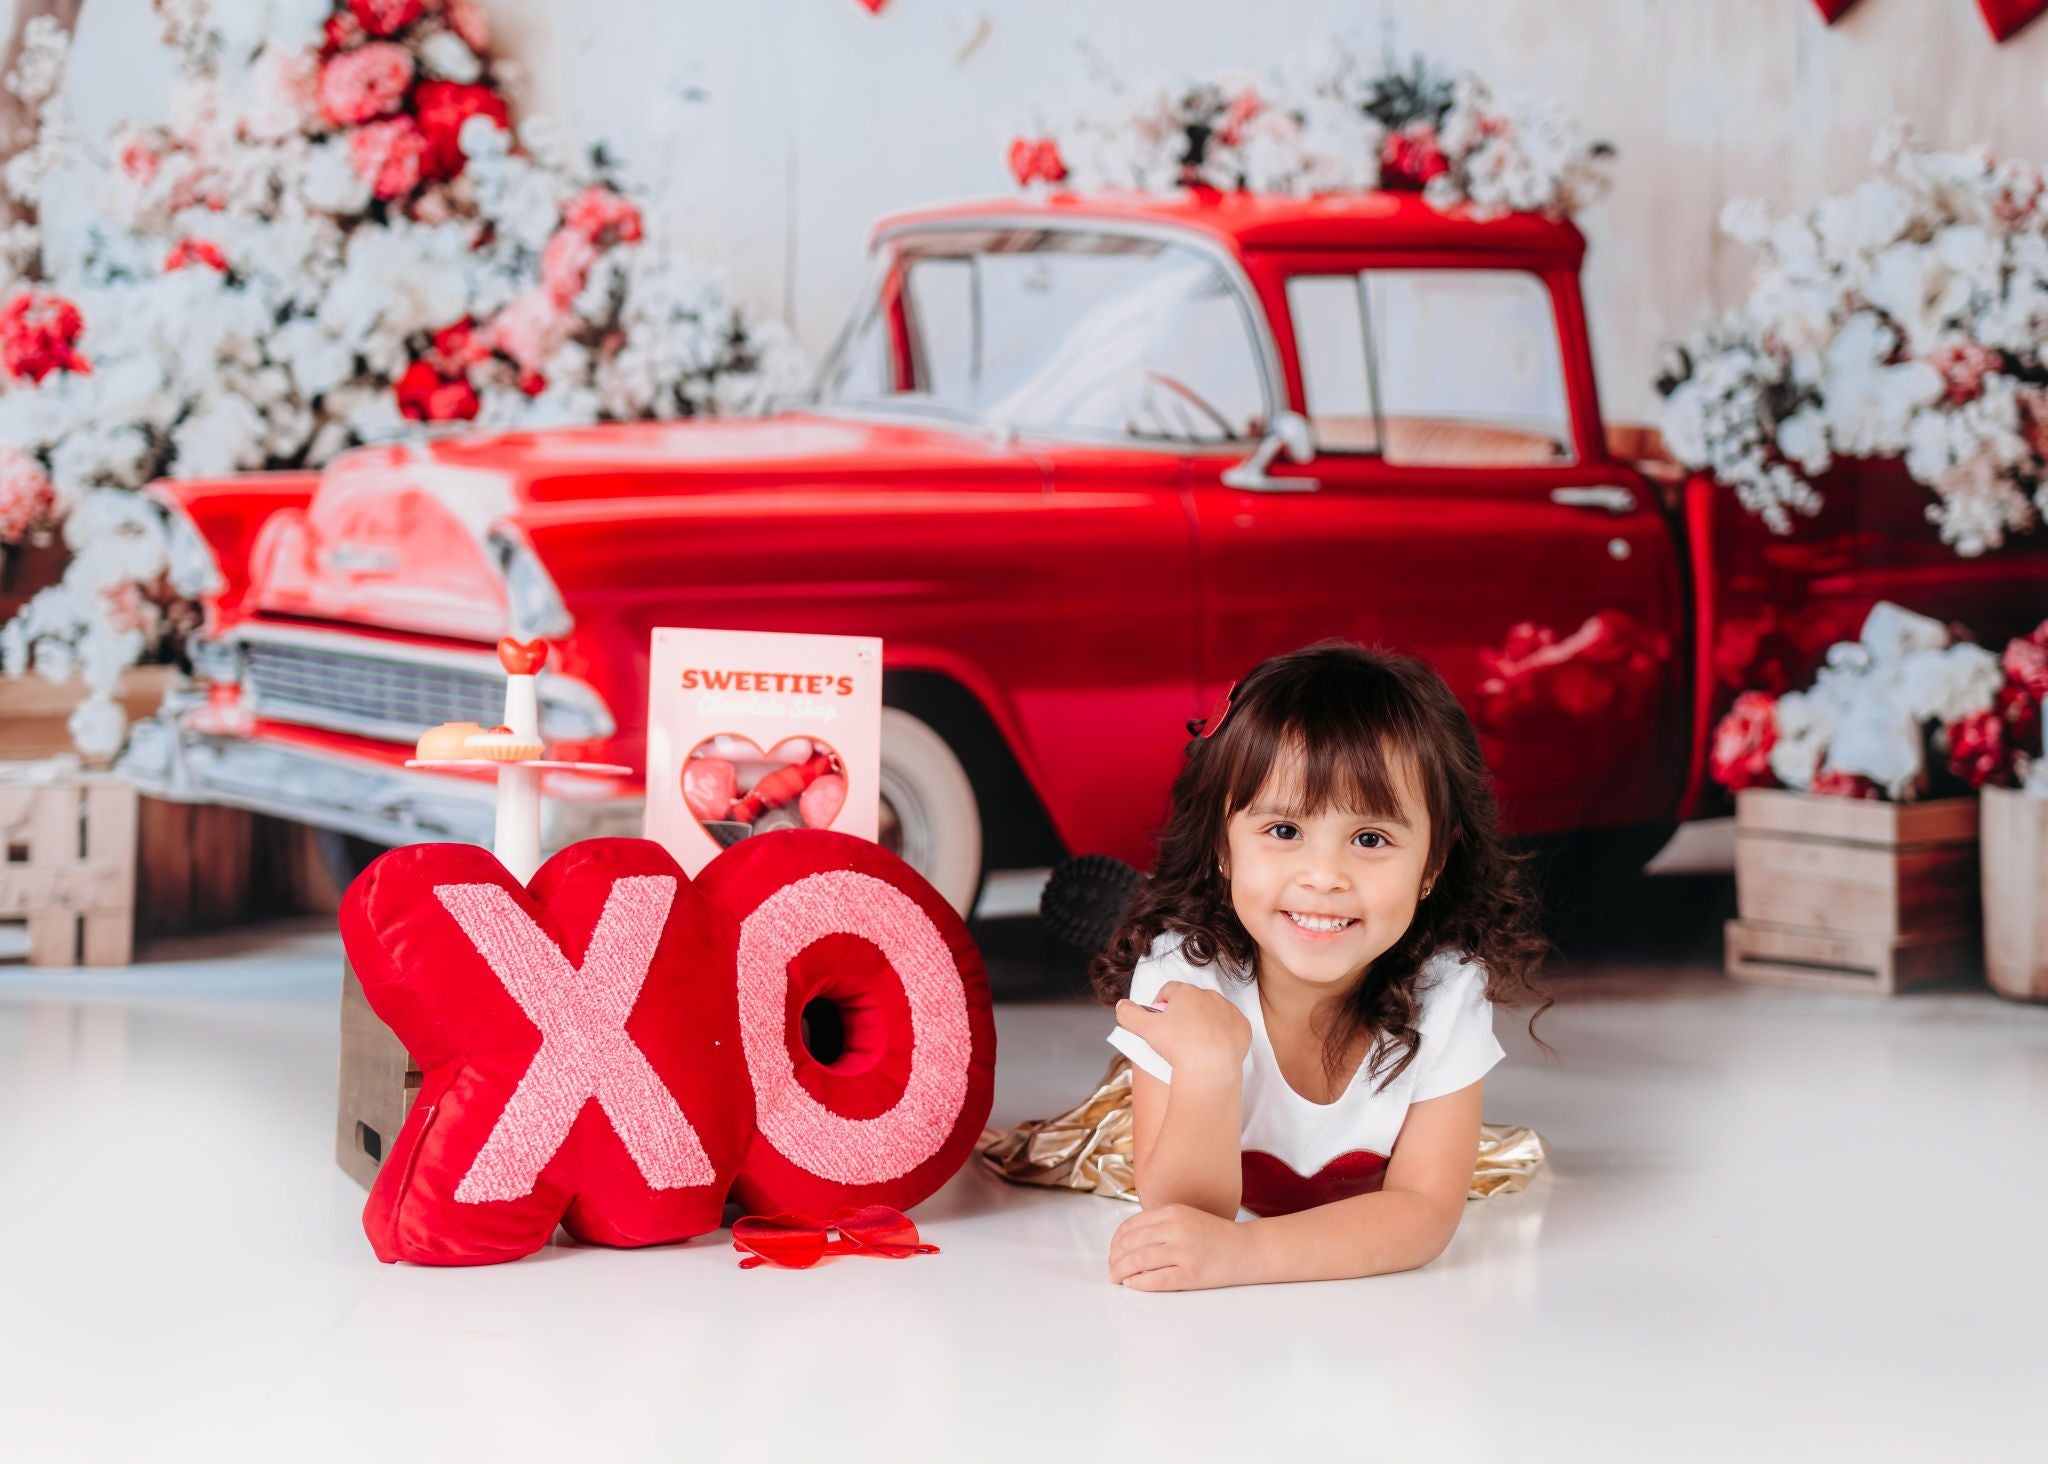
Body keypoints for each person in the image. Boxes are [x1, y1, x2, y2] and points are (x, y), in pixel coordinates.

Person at [1096, 640, 1550, 1290]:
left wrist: (1247, 1256)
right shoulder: (1184, 977)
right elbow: (1182, 1223)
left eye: (1370, 839)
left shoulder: (1448, 988)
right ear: (1223, 845)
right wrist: (1209, 1069)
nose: (1324, 877)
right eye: (1284, 831)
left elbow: (1422, 1211)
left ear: (1435, 863)